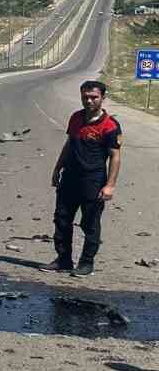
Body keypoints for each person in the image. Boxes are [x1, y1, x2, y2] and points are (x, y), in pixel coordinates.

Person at [50, 79, 122, 277]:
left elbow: (115, 156)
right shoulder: (75, 118)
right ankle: (63, 260)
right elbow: (69, 144)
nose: (89, 101)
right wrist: (57, 168)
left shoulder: (110, 126)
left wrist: (110, 185)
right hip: (70, 178)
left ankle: (86, 263)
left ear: (103, 98)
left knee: (90, 223)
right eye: (85, 97)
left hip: (93, 180)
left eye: (93, 97)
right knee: (62, 219)